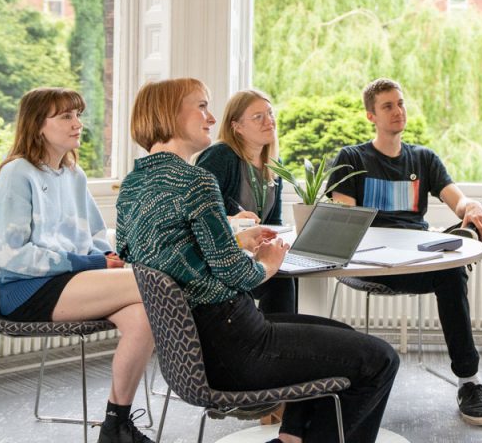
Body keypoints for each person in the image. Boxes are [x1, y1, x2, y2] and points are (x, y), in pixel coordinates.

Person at [115, 78, 399, 443]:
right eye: (201, 106)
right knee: (380, 360)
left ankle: (291, 437)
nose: (211, 116)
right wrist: (267, 263)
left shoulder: (134, 184)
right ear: (169, 114)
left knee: (341, 335)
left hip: (196, 349)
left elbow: (137, 251)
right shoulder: (195, 181)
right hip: (237, 344)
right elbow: (236, 273)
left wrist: (231, 240)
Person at [329, 77, 482, 427]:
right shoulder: (352, 158)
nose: (397, 111)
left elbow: (457, 199)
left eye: (400, 103)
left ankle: (468, 383)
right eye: (387, 106)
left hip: (421, 254)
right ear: (371, 115)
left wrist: (471, 209)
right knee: (452, 269)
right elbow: (344, 222)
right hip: (373, 260)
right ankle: (470, 378)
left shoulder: (423, 158)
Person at [0, 88, 155, 443]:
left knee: (144, 316)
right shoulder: (17, 173)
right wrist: (93, 261)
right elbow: (10, 254)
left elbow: (94, 237)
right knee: (155, 284)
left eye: (78, 114)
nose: (78, 123)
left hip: (72, 281)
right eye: (66, 116)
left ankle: (116, 425)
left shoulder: (73, 174)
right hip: (26, 290)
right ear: (37, 125)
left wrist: (109, 257)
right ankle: (217, 378)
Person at [196, 89, 296, 314]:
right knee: (281, 280)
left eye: (270, 113)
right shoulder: (220, 156)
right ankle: (270, 339)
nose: (269, 121)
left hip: (254, 255)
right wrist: (233, 221)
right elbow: (197, 219)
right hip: (224, 261)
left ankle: (279, 339)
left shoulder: (274, 162)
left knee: (286, 274)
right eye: (258, 117)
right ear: (237, 126)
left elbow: (274, 221)